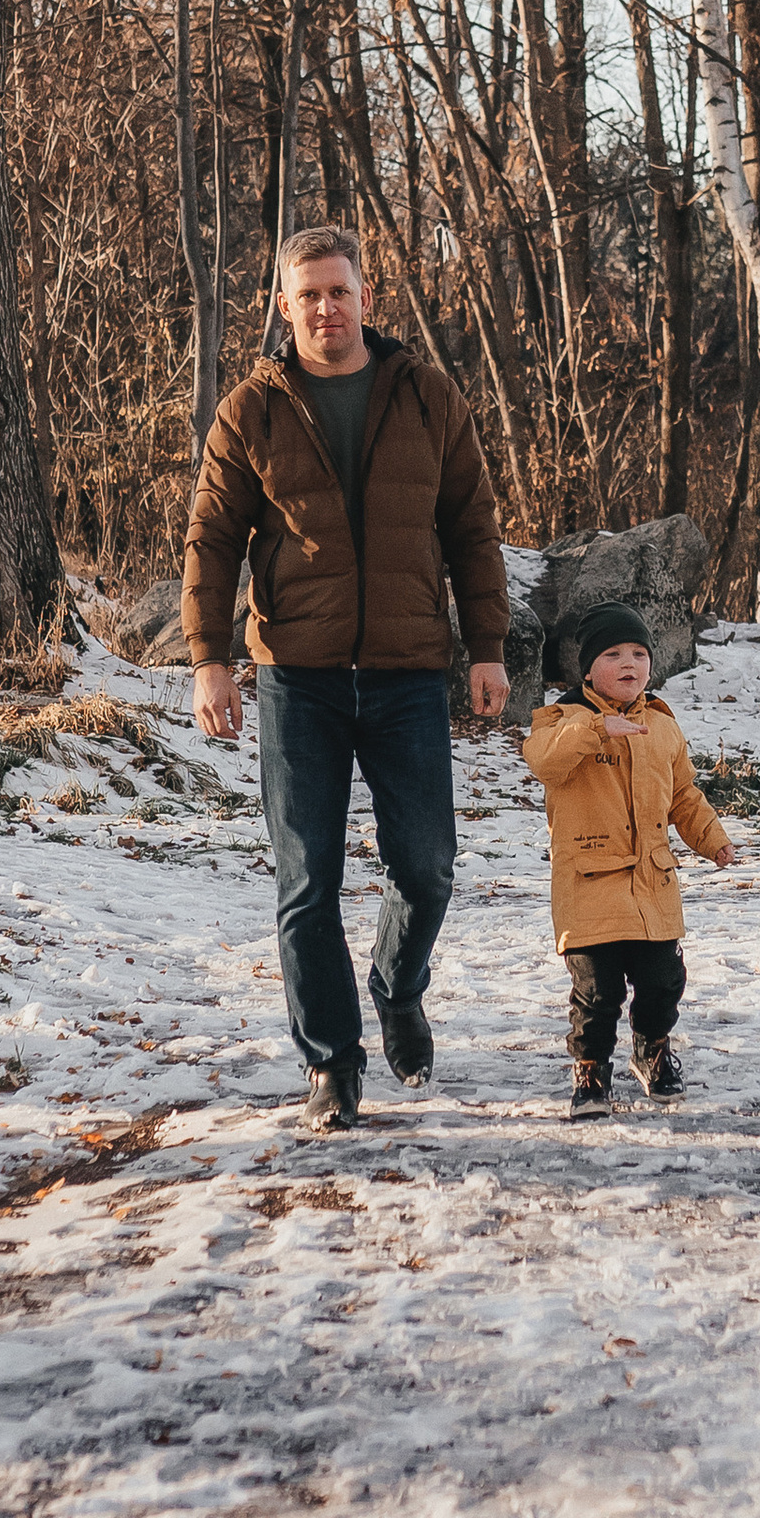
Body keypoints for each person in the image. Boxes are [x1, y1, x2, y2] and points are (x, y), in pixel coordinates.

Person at [185, 224, 511, 1132]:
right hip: (299, 680)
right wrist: (211, 659)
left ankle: (398, 984)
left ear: (368, 297)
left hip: (409, 673)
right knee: (306, 884)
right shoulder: (251, 410)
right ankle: (331, 1063)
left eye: (340, 291)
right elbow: (211, 542)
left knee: (429, 867)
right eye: (308, 295)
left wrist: (487, 646)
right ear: (282, 307)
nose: (326, 308)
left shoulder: (427, 395)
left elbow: (473, 530)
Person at [522, 602, 734, 1116]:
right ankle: (591, 1071)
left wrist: (712, 839)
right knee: (597, 993)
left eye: (639, 653)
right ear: (588, 668)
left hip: (652, 883)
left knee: (664, 982)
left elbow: (683, 793)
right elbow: (544, 762)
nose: (629, 664)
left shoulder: (662, 726)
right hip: (590, 884)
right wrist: (597, 729)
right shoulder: (561, 721)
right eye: (613, 653)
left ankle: (651, 1050)